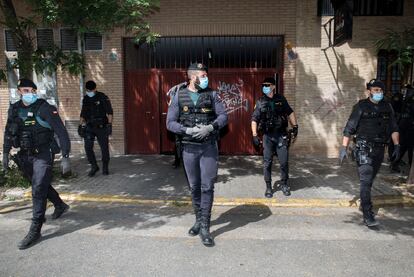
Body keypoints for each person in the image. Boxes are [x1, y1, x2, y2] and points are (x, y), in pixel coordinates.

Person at [2, 78, 71, 249]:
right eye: (25, 90)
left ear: (35, 91)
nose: (29, 94)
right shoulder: (15, 109)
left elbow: (61, 131)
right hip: (24, 156)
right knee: (40, 184)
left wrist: (65, 156)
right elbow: (8, 132)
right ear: (19, 91)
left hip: (43, 154)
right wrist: (5, 152)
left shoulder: (45, 108)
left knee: (38, 189)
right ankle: (60, 204)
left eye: (31, 91)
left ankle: (35, 229)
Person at [166, 63, 228, 246]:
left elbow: (224, 117)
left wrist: (210, 127)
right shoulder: (179, 95)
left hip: (209, 148)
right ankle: (198, 221)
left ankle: (205, 228)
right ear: (192, 77)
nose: (205, 78)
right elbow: (170, 122)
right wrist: (187, 130)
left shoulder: (212, 94)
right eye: (203, 75)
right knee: (194, 187)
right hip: (189, 149)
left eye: (206, 75)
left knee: (207, 186)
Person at [339, 79, 400, 227]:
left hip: (380, 150)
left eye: (380, 90)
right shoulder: (361, 106)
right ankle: (368, 214)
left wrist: (397, 145)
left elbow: (393, 127)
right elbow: (349, 128)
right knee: (365, 181)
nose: (377, 92)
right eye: (374, 90)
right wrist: (343, 148)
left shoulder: (387, 107)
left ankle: (364, 201)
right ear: (369, 91)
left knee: (370, 180)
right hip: (363, 149)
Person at [251, 77, 298, 198]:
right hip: (268, 137)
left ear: (273, 86)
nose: (265, 87)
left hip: (281, 135)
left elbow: (290, 112)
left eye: (267, 85)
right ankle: (268, 187)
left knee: (284, 162)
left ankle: (284, 184)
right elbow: (254, 119)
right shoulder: (260, 101)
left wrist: (295, 126)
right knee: (267, 163)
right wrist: (254, 135)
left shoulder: (281, 99)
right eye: (263, 85)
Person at [78, 80, 113, 176]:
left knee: (104, 148)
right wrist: (80, 125)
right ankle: (94, 166)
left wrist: (109, 125)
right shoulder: (85, 99)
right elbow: (83, 113)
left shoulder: (102, 97)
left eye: (90, 90)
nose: (89, 92)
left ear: (95, 89)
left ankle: (105, 167)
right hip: (89, 126)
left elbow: (109, 112)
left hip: (101, 126)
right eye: (87, 90)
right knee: (88, 147)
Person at [392, 84, 414, 171]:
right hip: (408, 125)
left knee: (405, 146)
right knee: (408, 146)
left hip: (405, 124)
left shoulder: (409, 95)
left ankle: (395, 164)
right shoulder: (411, 96)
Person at [167, 82, 187, 168]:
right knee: (178, 143)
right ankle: (177, 161)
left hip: (185, 124)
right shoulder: (176, 97)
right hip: (179, 124)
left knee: (182, 144)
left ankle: (180, 161)